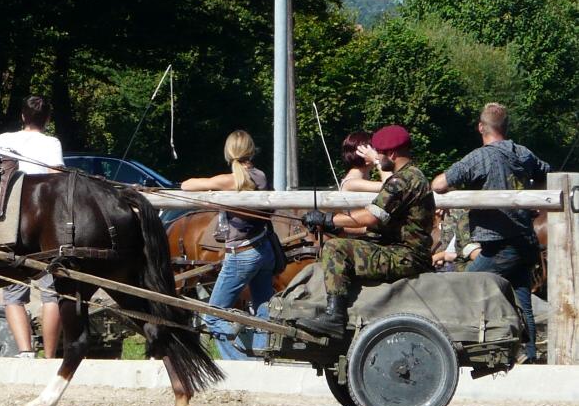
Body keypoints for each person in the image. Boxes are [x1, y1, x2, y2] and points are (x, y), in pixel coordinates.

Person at [431, 103, 550, 362]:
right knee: (523, 301)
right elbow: (546, 173)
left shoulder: (480, 157)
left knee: (463, 286)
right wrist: (536, 201)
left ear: (480, 127)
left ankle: (455, 352)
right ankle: (529, 356)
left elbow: (438, 184)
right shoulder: (523, 153)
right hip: (525, 241)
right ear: (506, 127)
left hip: (500, 245)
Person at [298, 125, 435, 339]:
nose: (376, 158)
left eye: (379, 153)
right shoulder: (412, 176)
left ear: (391, 154)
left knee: (335, 248)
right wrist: (336, 226)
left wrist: (328, 218)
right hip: (403, 251)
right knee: (342, 242)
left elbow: (371, 216)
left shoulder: (402, 181)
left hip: (405, 255)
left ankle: (335, 317)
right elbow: (375, 224)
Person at [180, 130, 275, 360]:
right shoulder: (261, 176)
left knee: (213, 316)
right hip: (264, 250)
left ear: (228, 153)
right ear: (251, 151)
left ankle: (241, 362)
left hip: (241, 254)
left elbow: (186, 186)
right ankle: (260, 361)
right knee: (263, 314)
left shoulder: (228, 180)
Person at [0, 95, 63, 358]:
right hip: (45, 223)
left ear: (22, 116)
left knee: (13, 293)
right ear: (47, 119)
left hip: (12, 221)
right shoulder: (52, 143)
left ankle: (25, 351)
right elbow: (57, 181)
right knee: (51, 294)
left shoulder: (4, 139)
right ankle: (50, 355)